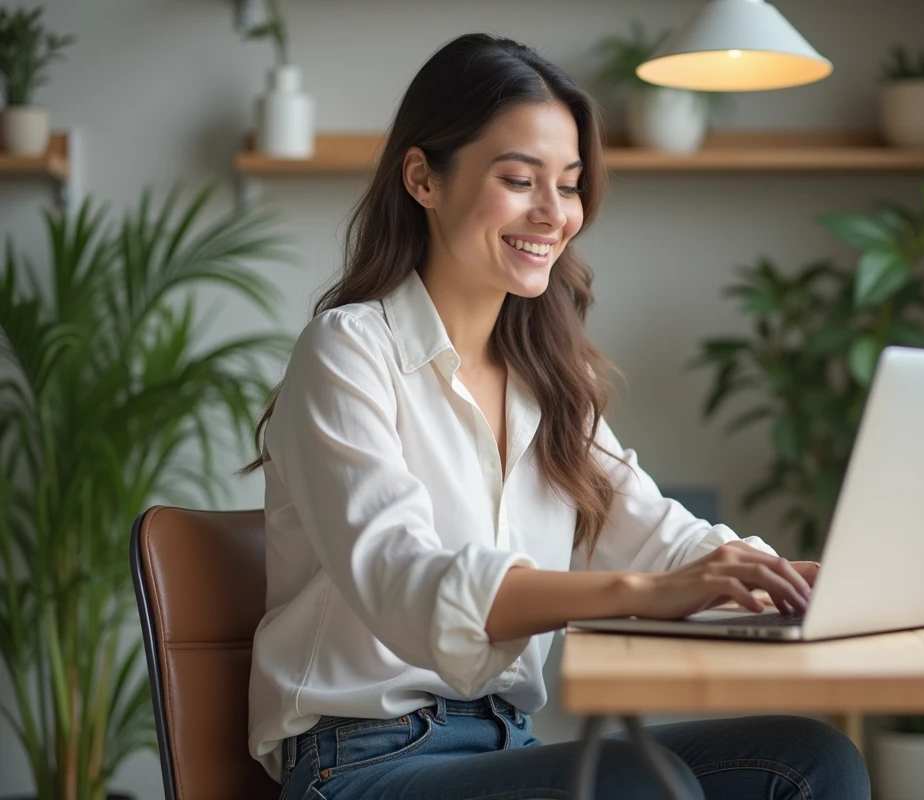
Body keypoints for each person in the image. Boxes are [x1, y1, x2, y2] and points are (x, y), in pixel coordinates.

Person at [244, 32, 871, 800]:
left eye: (569, 185)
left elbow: (659, 539)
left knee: (810, 761)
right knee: (642, 782)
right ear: (423, 179)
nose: (553, 213)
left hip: (505, 742)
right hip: (361, 762)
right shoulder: (347, 353)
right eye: (519, 179)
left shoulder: (550, 379)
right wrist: (643, 595)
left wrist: (781, 577)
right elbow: (408, 582)